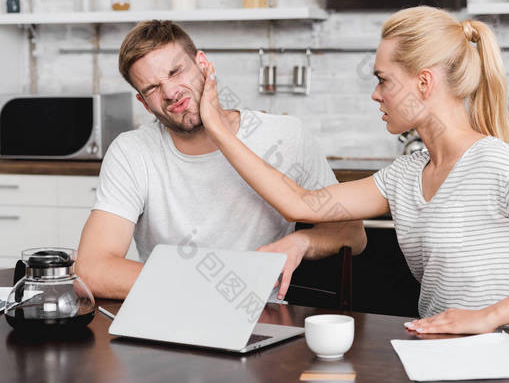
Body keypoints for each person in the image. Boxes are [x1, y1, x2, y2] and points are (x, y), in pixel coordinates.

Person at [196, 6, 509, 334]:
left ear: (424, 83)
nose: (375, 95)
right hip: (432, 349)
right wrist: (216, 126)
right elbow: (300, 203)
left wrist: (489, 316)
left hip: (498, 356)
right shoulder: (406, 174)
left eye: (383, 80)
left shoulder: (499, 163)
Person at [74, 20, 366, 300]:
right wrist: (214, 290)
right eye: (151, 88)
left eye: (176, 72)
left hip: (260, 317)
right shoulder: (131, 152)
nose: (170, 93)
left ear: (203, 64)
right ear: (143, 103)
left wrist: (304, 241)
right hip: (166, 310)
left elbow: (353, 234)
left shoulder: (285, 136)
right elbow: (93, 269)